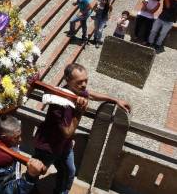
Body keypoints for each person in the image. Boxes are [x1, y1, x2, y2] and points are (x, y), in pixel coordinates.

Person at [34, 63, 131, 194]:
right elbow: (67, 133)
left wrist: (115, 100)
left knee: (69, 171)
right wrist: (79, 112)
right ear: (67, 81)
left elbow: (90, 94)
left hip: (64, 146)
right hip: (49, 146)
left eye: (86, 80)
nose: (84, 85)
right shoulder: (58, 103)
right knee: (36, 170)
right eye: (80, 82)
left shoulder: (78, 92)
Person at [0, 115, 46, 193]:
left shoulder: (9, 142)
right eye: (16, 137)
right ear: (3, 137)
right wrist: (29, 177)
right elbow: (7, 191)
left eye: (20, 135)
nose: (20, 139)